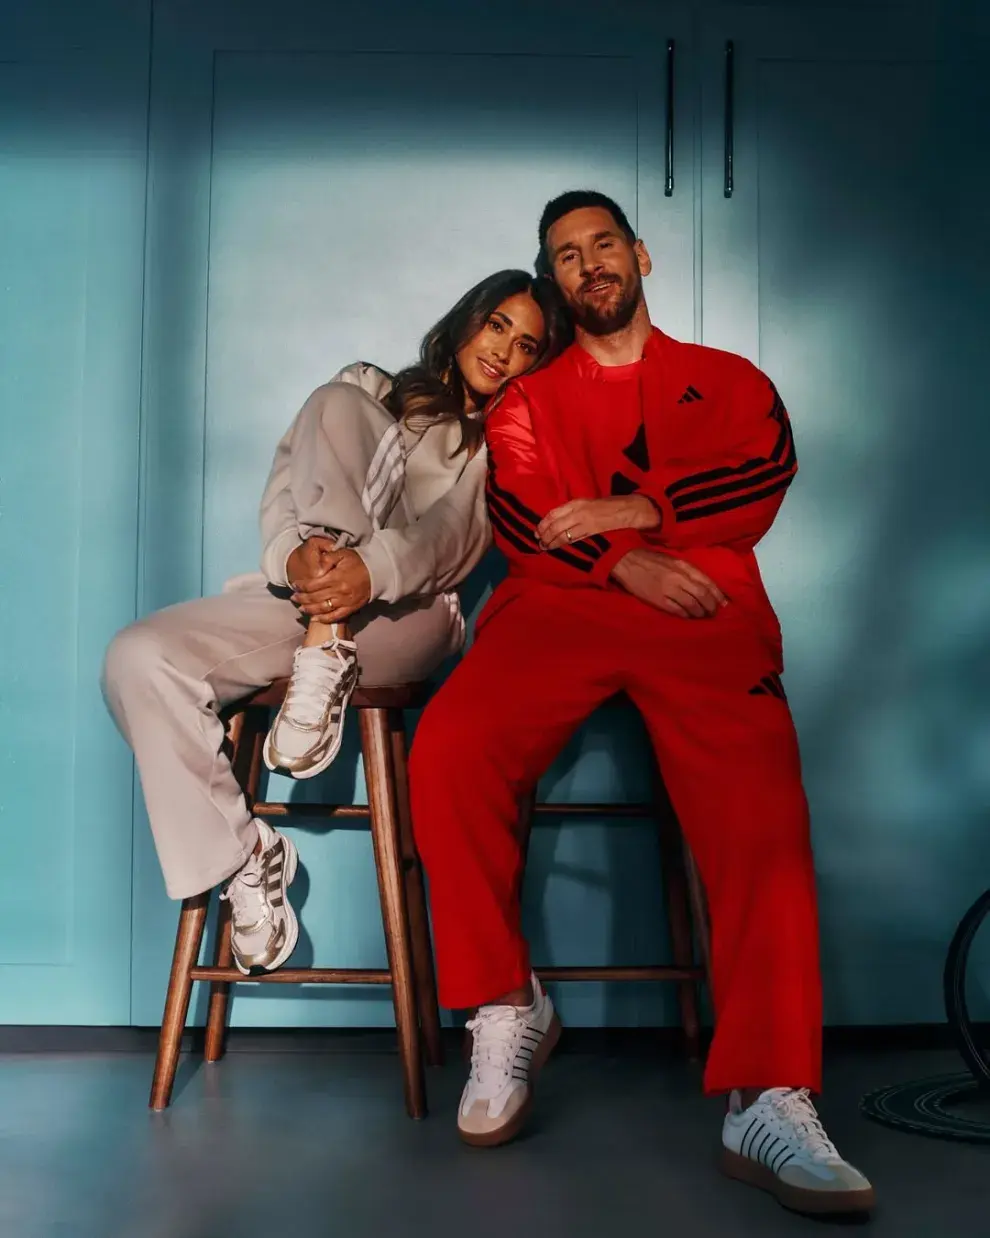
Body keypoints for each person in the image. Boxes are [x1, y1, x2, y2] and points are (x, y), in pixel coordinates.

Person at [408, 192, 875, 1217]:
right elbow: (526, 513)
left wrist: (641, 510)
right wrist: (624, 562)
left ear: (642, 254)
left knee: (763, 808)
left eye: (603, 244)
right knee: (449, 746)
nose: (587, 266)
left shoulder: (731, 378)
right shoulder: (529, 399)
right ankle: (505, 1002)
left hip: (705, 604)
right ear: (555, 278)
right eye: (565, 256)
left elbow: (765, 469)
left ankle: (767, 1091)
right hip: (562, 603)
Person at [103, 269, 570, 977]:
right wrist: (297, 560)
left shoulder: (502, 438)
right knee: (137, 657)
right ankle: (244, 855)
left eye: (528, 346)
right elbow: (284, 493)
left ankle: (330, 642)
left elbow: (451, 539)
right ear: (468, 318)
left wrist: (370, 572)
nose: (505, 351)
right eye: (497, 325)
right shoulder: (369, 391)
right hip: (305, 597)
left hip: (410, 614)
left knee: (342, 408)